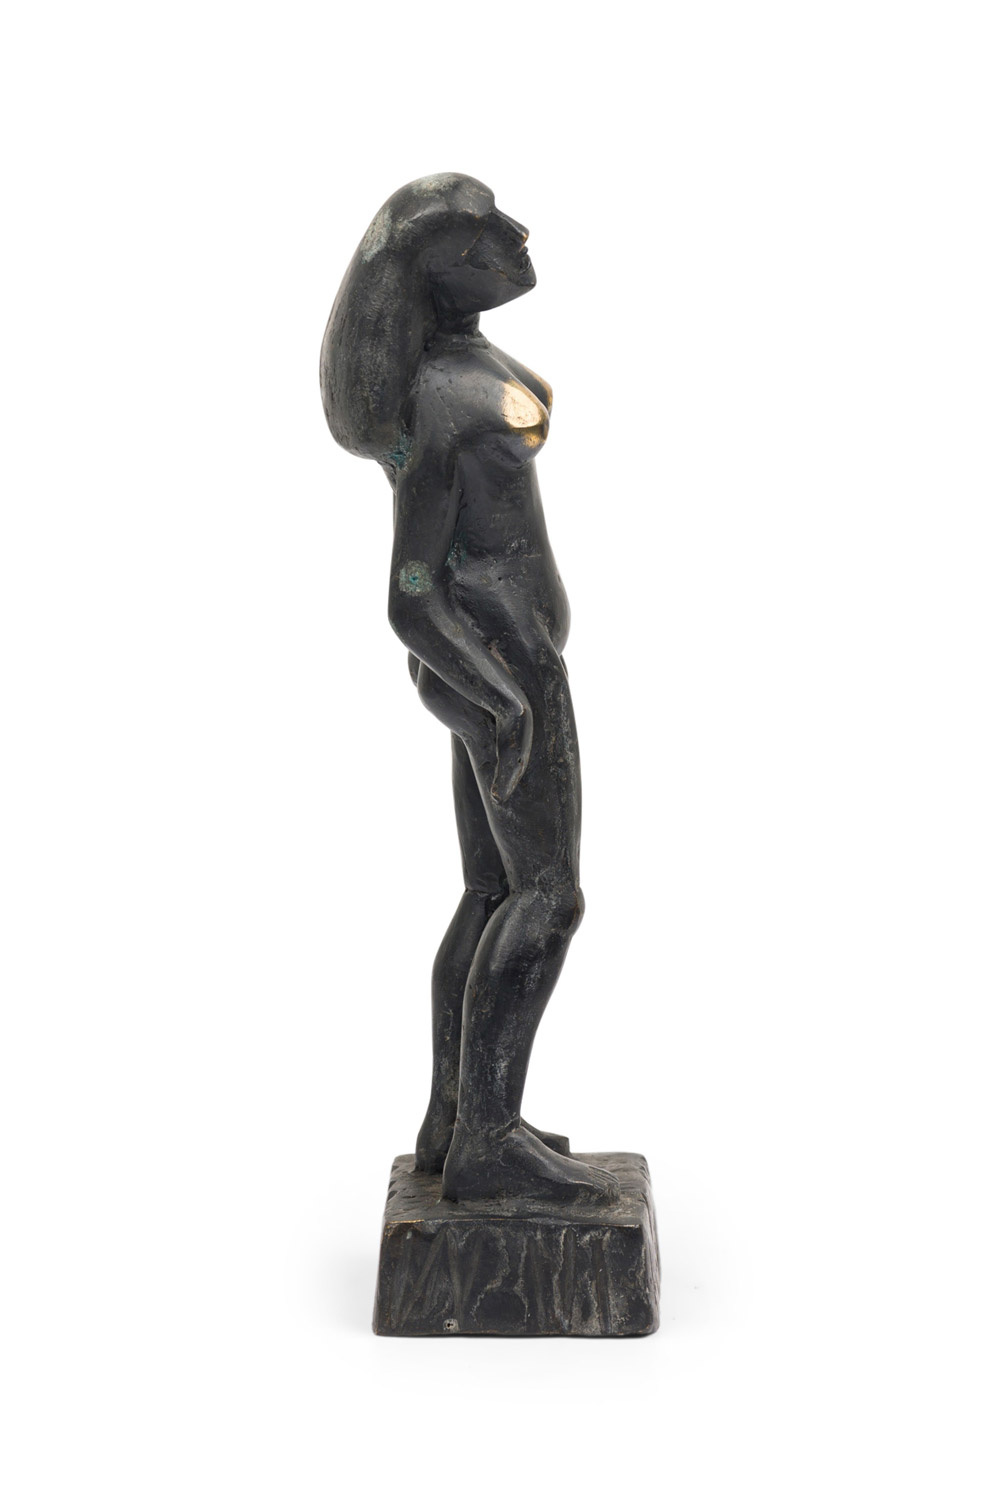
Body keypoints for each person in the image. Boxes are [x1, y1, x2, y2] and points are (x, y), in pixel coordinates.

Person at [321, 174, 618, 1206]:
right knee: (548, 895)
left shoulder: (456, 364)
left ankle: (457, 1123)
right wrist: (505, 699)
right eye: (481, 231)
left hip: (505, 651)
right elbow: (410, 594)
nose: (513, 235)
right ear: (435, 273)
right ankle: (488, 1143)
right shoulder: (444, 403)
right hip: (498, 657)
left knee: (493, 890)